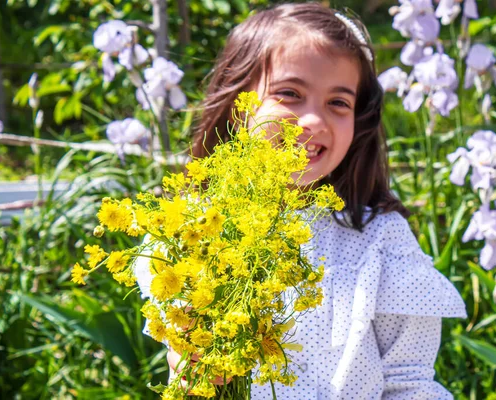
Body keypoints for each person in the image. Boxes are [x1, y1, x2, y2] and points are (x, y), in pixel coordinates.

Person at [136, 3, 467, 399]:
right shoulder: (193, 228)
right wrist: (186, 355)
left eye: (338, 103)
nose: (313, 121)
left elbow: (410, 383)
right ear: (240, 107)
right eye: (290, 94)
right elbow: (181, 342)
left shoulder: (381, 238)